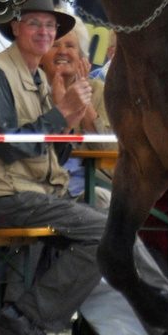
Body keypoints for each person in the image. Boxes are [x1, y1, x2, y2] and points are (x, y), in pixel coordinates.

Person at [0, 0, 168, 335]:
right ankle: (26, 317)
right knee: (103, 232)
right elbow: (8, 148)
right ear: (16, 27)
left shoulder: (34, 76)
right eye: (36, 23)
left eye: (50, 25)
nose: (45, 32)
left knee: (114, 226)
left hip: (39, 194)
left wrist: (68, 122)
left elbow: (55, 157)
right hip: (3, 196)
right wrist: (61, 115)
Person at [46, 24, 112, 206]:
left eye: (70, 46)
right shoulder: (35, 89)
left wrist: (84, 100)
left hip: (93, 185)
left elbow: (108, 150)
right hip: (46, 186)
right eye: (54, 45)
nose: (62, 52)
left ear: (82, 57)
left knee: (100, 198)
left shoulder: (100, 91)